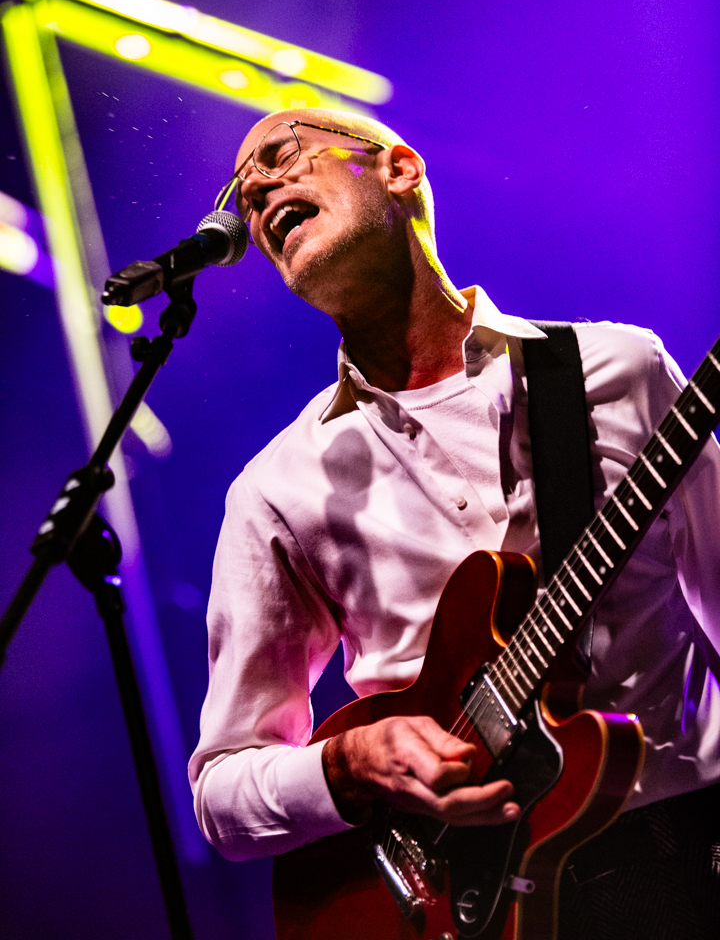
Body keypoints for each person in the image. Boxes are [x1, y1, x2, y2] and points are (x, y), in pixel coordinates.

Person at [189, 108, 720, 937]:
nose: (255, 192)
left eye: (281, 155)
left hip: (685, 857)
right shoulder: (277, 488)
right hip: (460, 900)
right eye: (243, 197)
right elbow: (223, 792)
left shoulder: (621, 370)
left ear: (399, 169)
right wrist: (350, 764)